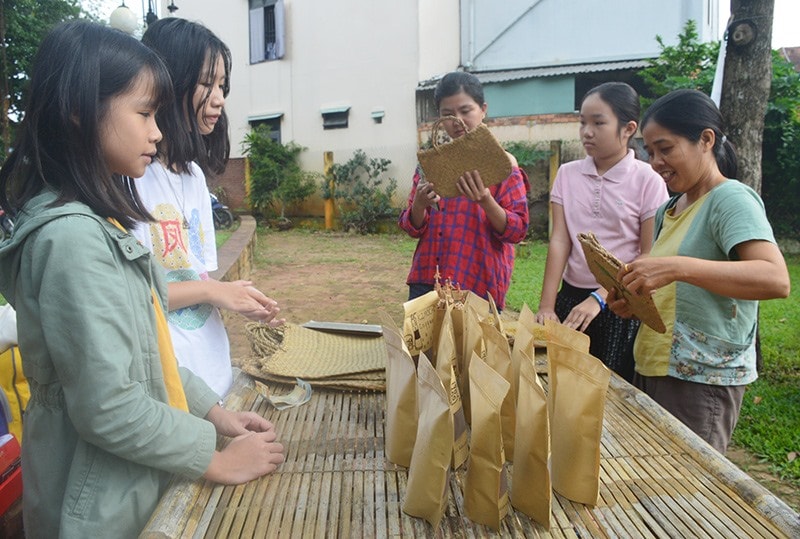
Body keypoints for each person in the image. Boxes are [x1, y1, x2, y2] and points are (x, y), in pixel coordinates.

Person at [0, 21, 284, 537]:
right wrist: (214, 459)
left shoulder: (102, 223)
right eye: (145, 113)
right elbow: (108, 406)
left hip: (125, 483)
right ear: (79, 112)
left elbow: (148, 353)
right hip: (95, 505)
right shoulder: (72, 241)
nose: (157, 130)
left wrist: (213, 414)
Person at [609, 89, 790, 453]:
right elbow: (672, 286)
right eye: (650, 151)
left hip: (701, 379)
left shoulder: (730, 199)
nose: (655, 161)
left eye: (666, 148)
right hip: (655, 366)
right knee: (657, 488)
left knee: (690, 496)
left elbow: (775, 278)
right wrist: (634, 300)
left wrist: (677, 267)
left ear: (706, 139)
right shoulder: (670, 209)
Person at [135, 18, 283, 397]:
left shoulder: (194, 177)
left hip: (211, 371)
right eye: (206, 83)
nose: (218, 98)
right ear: (164, 84)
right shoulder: (129, 178)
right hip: (166, 384)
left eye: (222, 85)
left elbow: (192, 276)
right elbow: (133, 294)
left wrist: (234, 296)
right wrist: (216, 293)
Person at [533, 82, 668, 381]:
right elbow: (560, 240)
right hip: (570, 300)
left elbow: (647, 255)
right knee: (562, 387)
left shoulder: (648, 180)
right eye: (582, 122)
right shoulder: (567, 174)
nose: (587, 132)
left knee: (610, 394)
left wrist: (601, 296)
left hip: (621, 304)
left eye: (598, 123)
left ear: (628, 128)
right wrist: (547, 305)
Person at [398, 71, 530, 310]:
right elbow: (412, 227)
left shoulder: (504, 165)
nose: (456, 120)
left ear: (483, 110)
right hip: (428, 280)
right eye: (447, 114)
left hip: (478, 284)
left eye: (465, 110)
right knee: (422, 348)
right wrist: (418, 205)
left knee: (474, 349)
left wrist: (486, 201)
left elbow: (517, 231)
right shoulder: (430, 164)